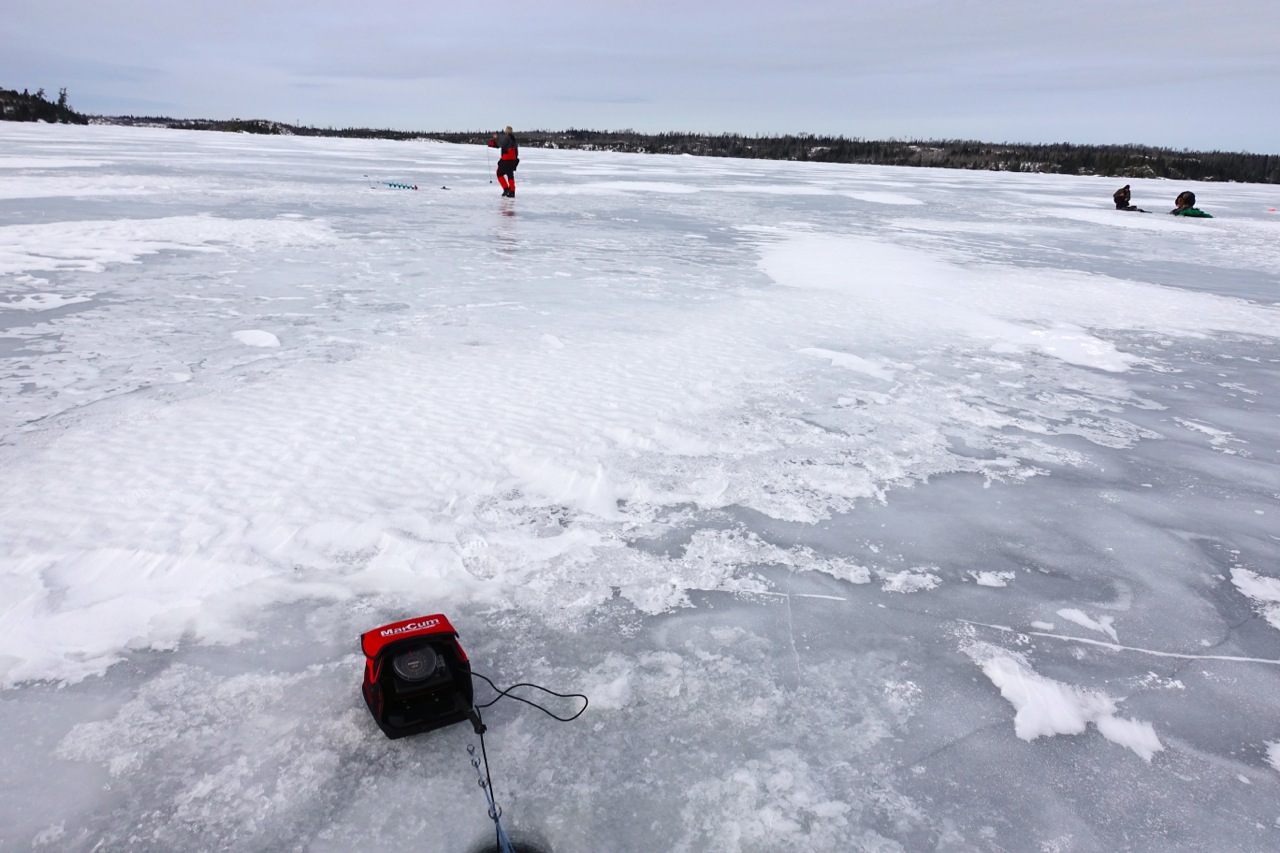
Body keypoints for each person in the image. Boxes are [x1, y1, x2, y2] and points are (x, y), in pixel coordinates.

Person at [488, 126, 519, 197]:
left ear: (506, 131)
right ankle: (512, 191)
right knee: (510, 175)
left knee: (499, 173)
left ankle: (506, 188)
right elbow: (516, 151)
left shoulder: (506, 138)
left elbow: (501, 144)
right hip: (513, 160)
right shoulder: (513, 139)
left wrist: (496, 138)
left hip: (506, 159)